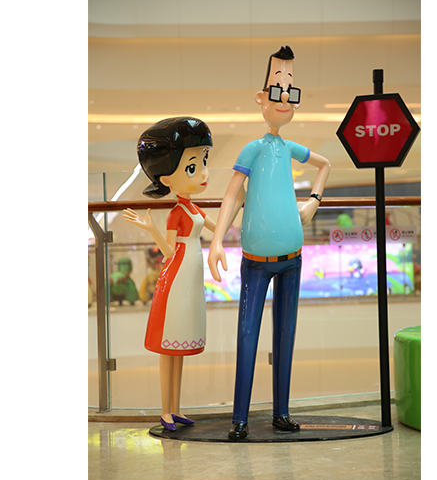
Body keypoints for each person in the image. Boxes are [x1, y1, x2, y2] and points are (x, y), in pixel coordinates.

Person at [208, 46, 331, 441]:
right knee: (248, 335)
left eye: (291, 92)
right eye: (278, 91)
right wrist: (216, 239)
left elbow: (325, 165)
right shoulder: (254, 148)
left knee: (285, 336)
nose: (284, 99)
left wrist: (314, 200)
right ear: (262, 98)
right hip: (257, 259)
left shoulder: (290, 149)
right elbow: (232, 194)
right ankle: (240, 418)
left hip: (293, 257)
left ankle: (281, 413)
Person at [123, 117, 243, 432]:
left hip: (190, 276)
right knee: (169, 347)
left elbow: (220, 229)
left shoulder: (193, 209)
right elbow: (168, 252)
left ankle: (175, 409)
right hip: (176, 278)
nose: (203, 172)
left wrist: (239, 201)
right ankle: (166, 411)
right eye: (192, 167)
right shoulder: (177, 214)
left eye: (203, 162)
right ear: (166, 178)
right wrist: (151, 229)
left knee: (178, 349)